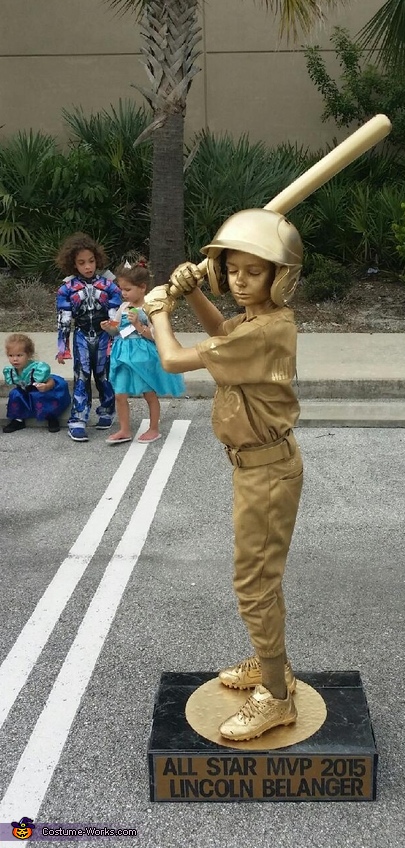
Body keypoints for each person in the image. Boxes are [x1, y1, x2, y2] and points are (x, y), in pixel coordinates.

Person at [143, 208, 304, 742]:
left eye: (252, 271)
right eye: (231, 269)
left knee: (254, 583)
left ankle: (277, 699)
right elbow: (220, 337)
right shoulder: (254, 322)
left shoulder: (269, 328)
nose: (238, 278)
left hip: (267, 472)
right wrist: (193, 295)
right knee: (261, 581)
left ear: (279, 277)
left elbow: (172, 360)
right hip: (256, 466)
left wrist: (159, 310)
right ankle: (270, 662)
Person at [100, 258, 185, 444]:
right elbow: (117, 330)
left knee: (149, 394)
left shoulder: (149, 308)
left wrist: (138, 325)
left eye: (127, 289)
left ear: (142, 287)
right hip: (122, 356)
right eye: (121, 289)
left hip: (142, 357)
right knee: (120, 394)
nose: (123, 293)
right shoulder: (123, 307)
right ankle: (124, 430)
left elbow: (156, 335)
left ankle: (154, 428)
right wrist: (109, 327)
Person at [55, 232, 122, 442]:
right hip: (82, 335)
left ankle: (107, 409)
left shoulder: (109, 286)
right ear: (73, 264)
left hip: (104, 335)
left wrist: (114, 336)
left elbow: (116, 313)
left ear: (97, 260)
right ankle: (78, 418)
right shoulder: (66, 289)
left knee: (104, 374)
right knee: (82, 375)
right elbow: (63, 319)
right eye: (82, 262)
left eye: (91, 261)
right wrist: (62, 346)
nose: (87, 267)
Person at [3, 333, 71, 433]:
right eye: (11, 355)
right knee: (15, 394)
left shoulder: (37, 369)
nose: (15, 359)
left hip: (41, 391)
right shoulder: (11, 371)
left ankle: (51, 417)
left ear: (29, 354)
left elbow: (50, 380)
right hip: (26, 391)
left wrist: (46, 386)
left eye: (19, 355)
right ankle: (19, 419)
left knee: (41, 396)